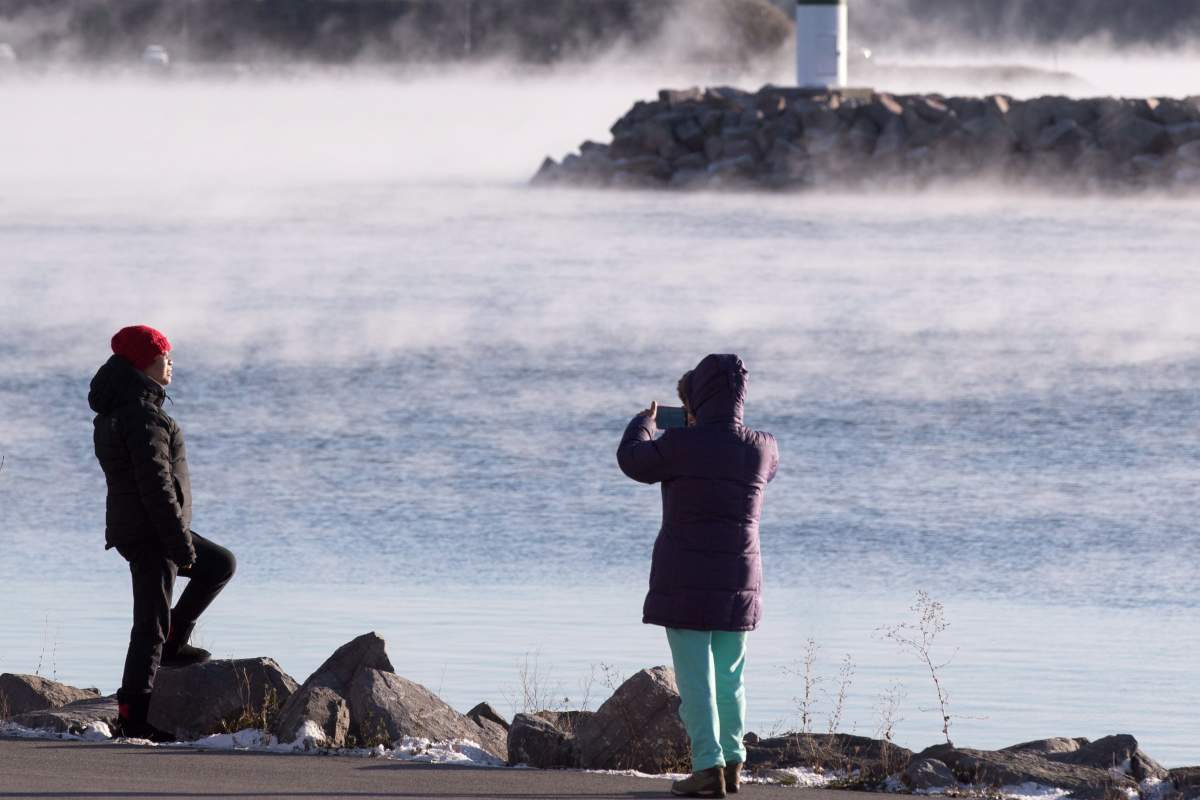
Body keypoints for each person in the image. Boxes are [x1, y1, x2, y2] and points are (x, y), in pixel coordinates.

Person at [617, 354, 779, 798]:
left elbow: (632, 461)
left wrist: (644, 423)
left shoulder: (681, 446)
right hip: (740, 580)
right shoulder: (763, 447)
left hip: (686, 577)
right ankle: (732, 763)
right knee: (731, 676)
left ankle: (706, 769)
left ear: (697, 402)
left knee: (696, 680)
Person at [88, 325, 236, 741]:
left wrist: (180, 541)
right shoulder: (142, 415)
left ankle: (174, 643)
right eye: (165, 357)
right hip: (152, 529)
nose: (171, 363)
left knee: (220, 564)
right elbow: (156, 486)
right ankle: (133, 716)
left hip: (143, 527)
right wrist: (178, 543)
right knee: (148, 623)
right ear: (144, 364)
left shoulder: (122, 410)